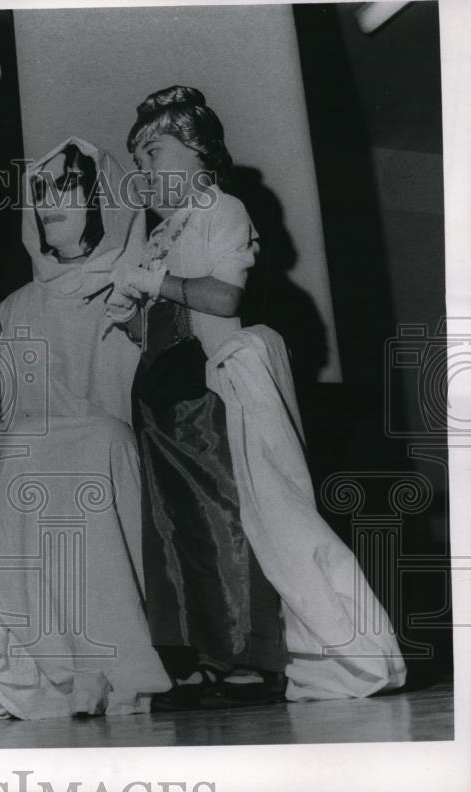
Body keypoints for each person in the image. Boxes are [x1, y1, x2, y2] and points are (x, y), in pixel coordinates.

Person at [106, 85, 405, 708]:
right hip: (160, 395)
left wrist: (154, 279)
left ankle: (253, 660)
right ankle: (209, 661)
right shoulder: (160, 229)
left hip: (205, 393)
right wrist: (126, 308)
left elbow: (224, 299)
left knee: (225, 520)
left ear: (197, 153)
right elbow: (151, 325)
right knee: (177, 531)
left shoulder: (224, 208)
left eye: (155, 152)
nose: (146, 170)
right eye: (139, 160)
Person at [0, 138, 172, 721]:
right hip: (36, 451)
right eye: (41, 192)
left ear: (104, 200)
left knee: (90, 442)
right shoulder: (16, 305)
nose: (48, 203)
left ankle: (113, 662)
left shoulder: (139, 288)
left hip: (120, 446)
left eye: (67, 188)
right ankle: (63, 664)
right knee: (23, 453)